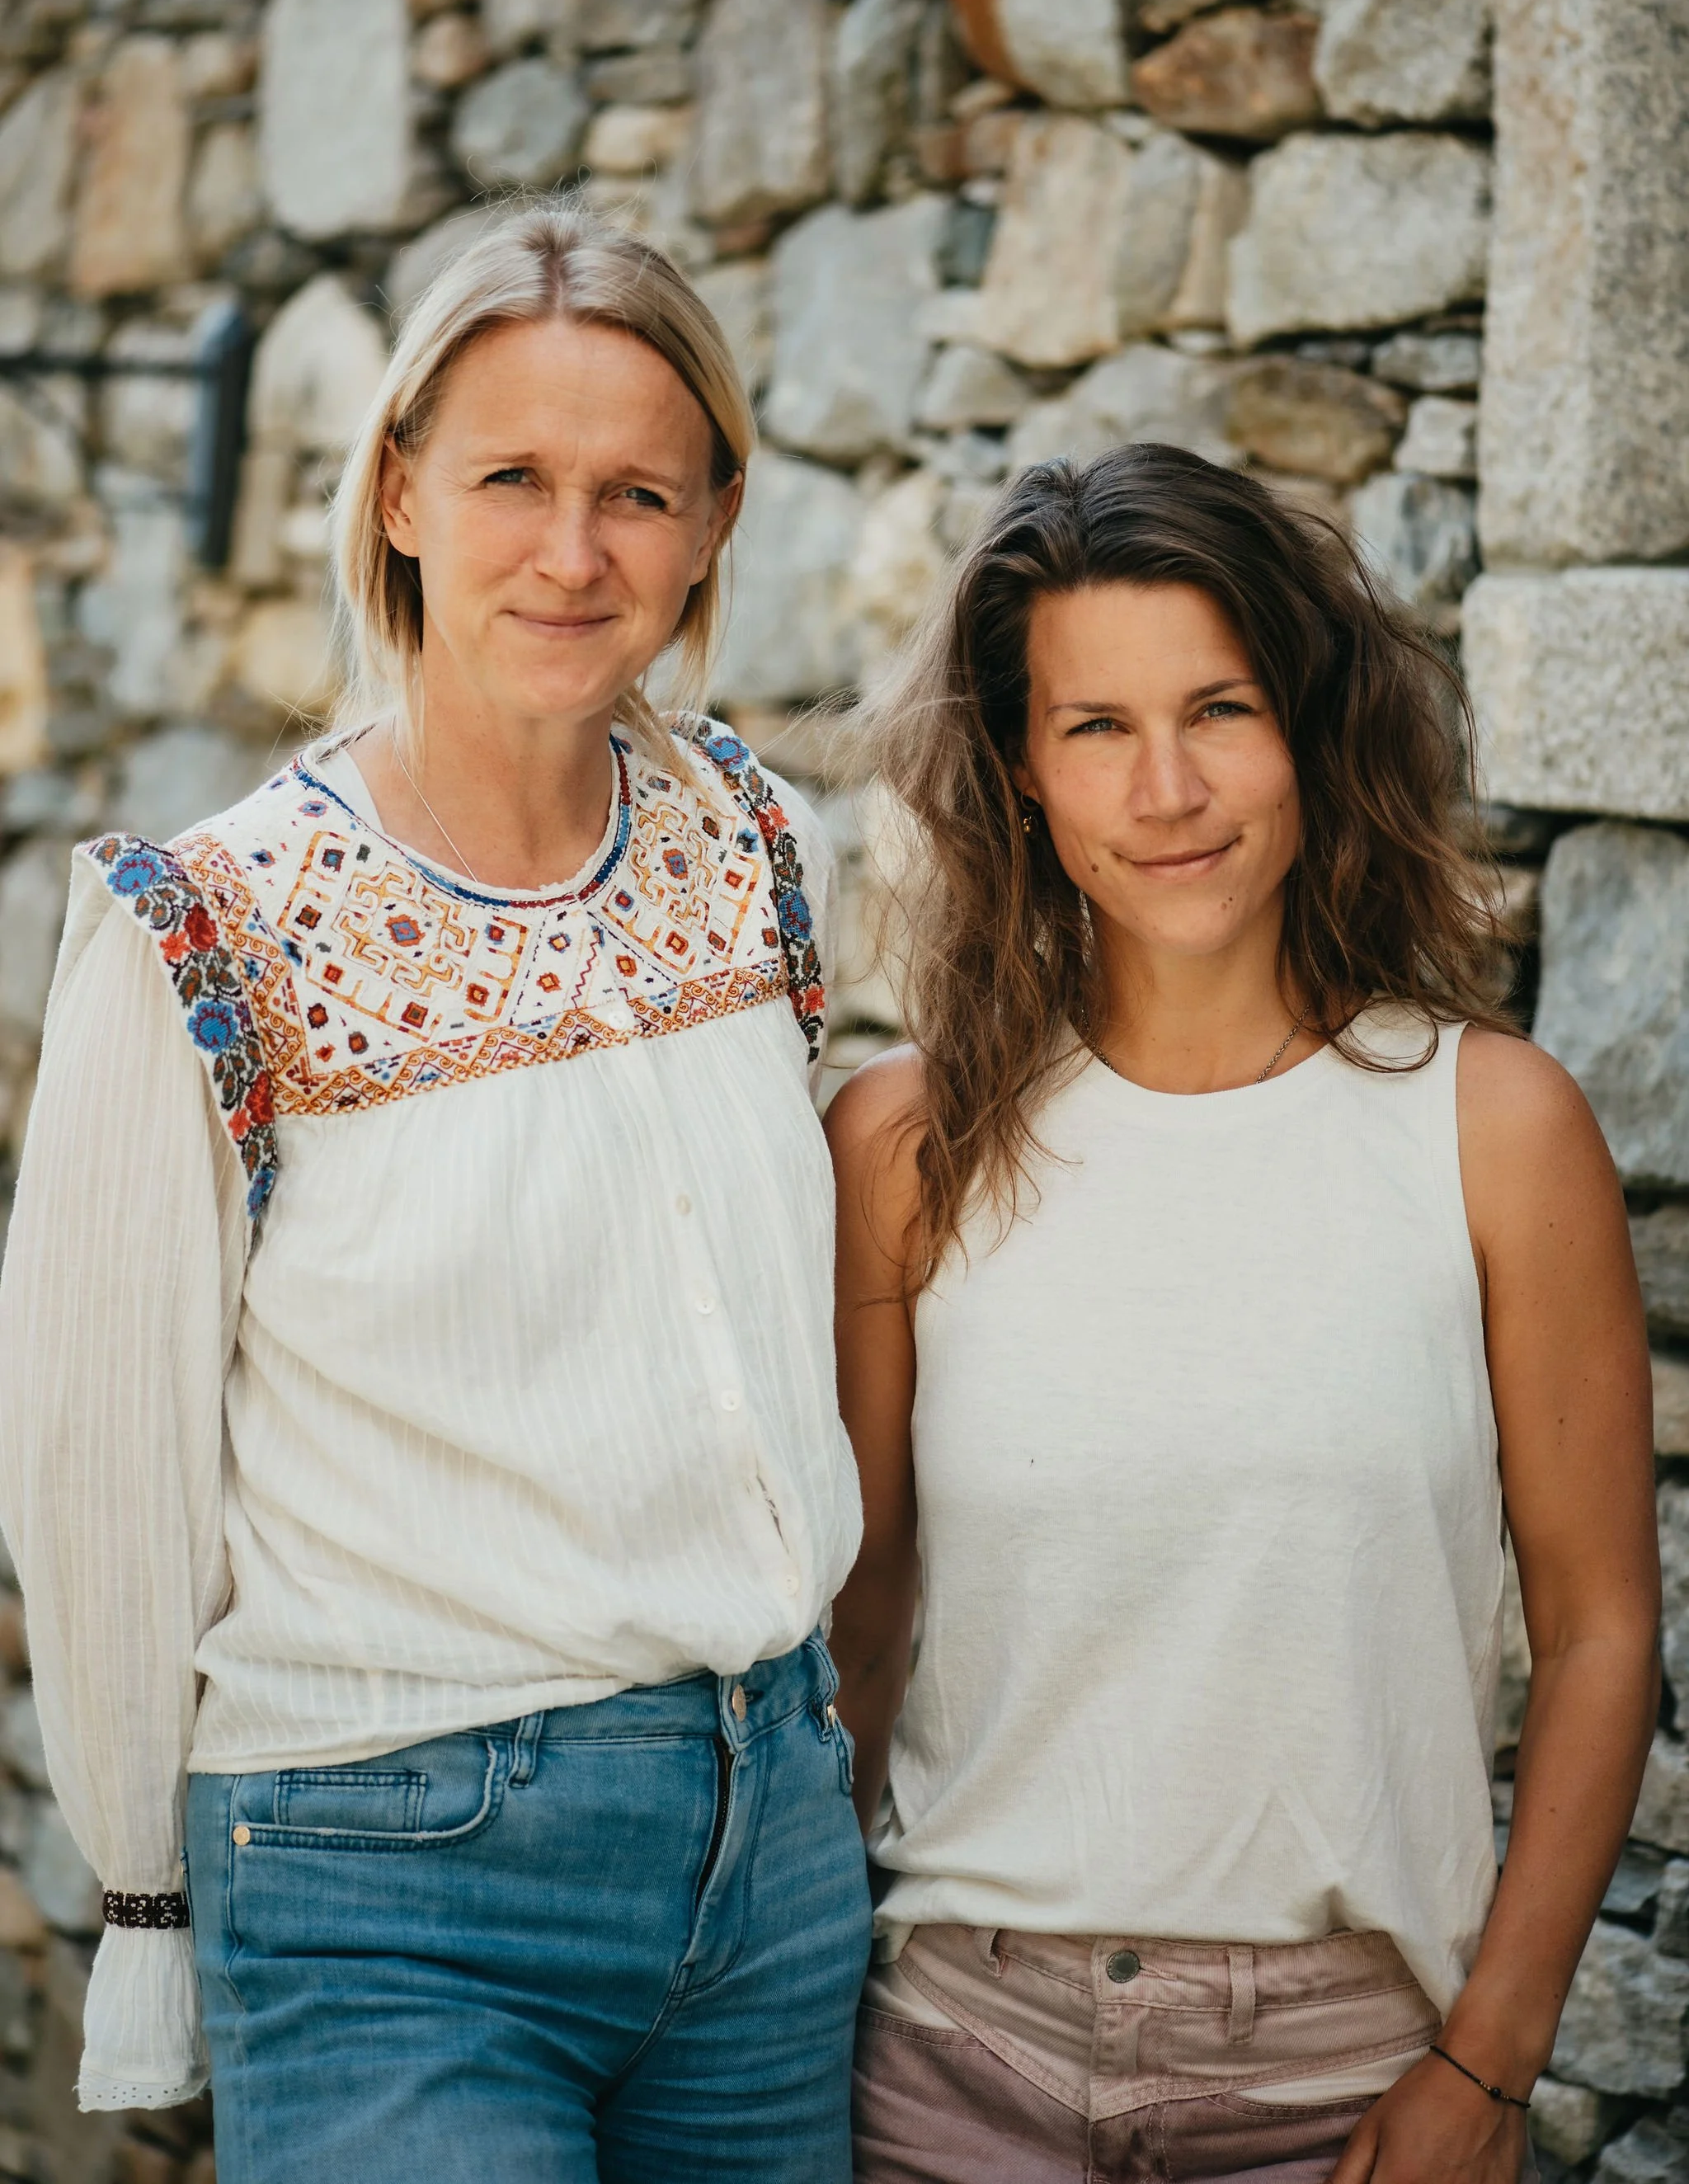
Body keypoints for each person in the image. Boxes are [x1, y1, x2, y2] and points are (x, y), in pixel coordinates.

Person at [0, 205, 870, 2183]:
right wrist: (143, 1907)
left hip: (774, 1857)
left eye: (637, 492)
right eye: (512, 479)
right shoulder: (207, 926)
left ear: (715, 520)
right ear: (397, 488)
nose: (575, 553)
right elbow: (100, 1464)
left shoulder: (754, 841)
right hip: (392, 1873)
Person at [826, 444, 1658, 2184]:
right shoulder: (907, 1146)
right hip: (953, 2059)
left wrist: (1487, 2066)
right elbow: (860, 1615)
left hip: (1344, 2091)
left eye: (1220, 706)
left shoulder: (1493, 1129)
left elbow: (1596, 1636)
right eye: (1095, 728)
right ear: (1018, 773)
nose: (1169, 786)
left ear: (1312, 728)